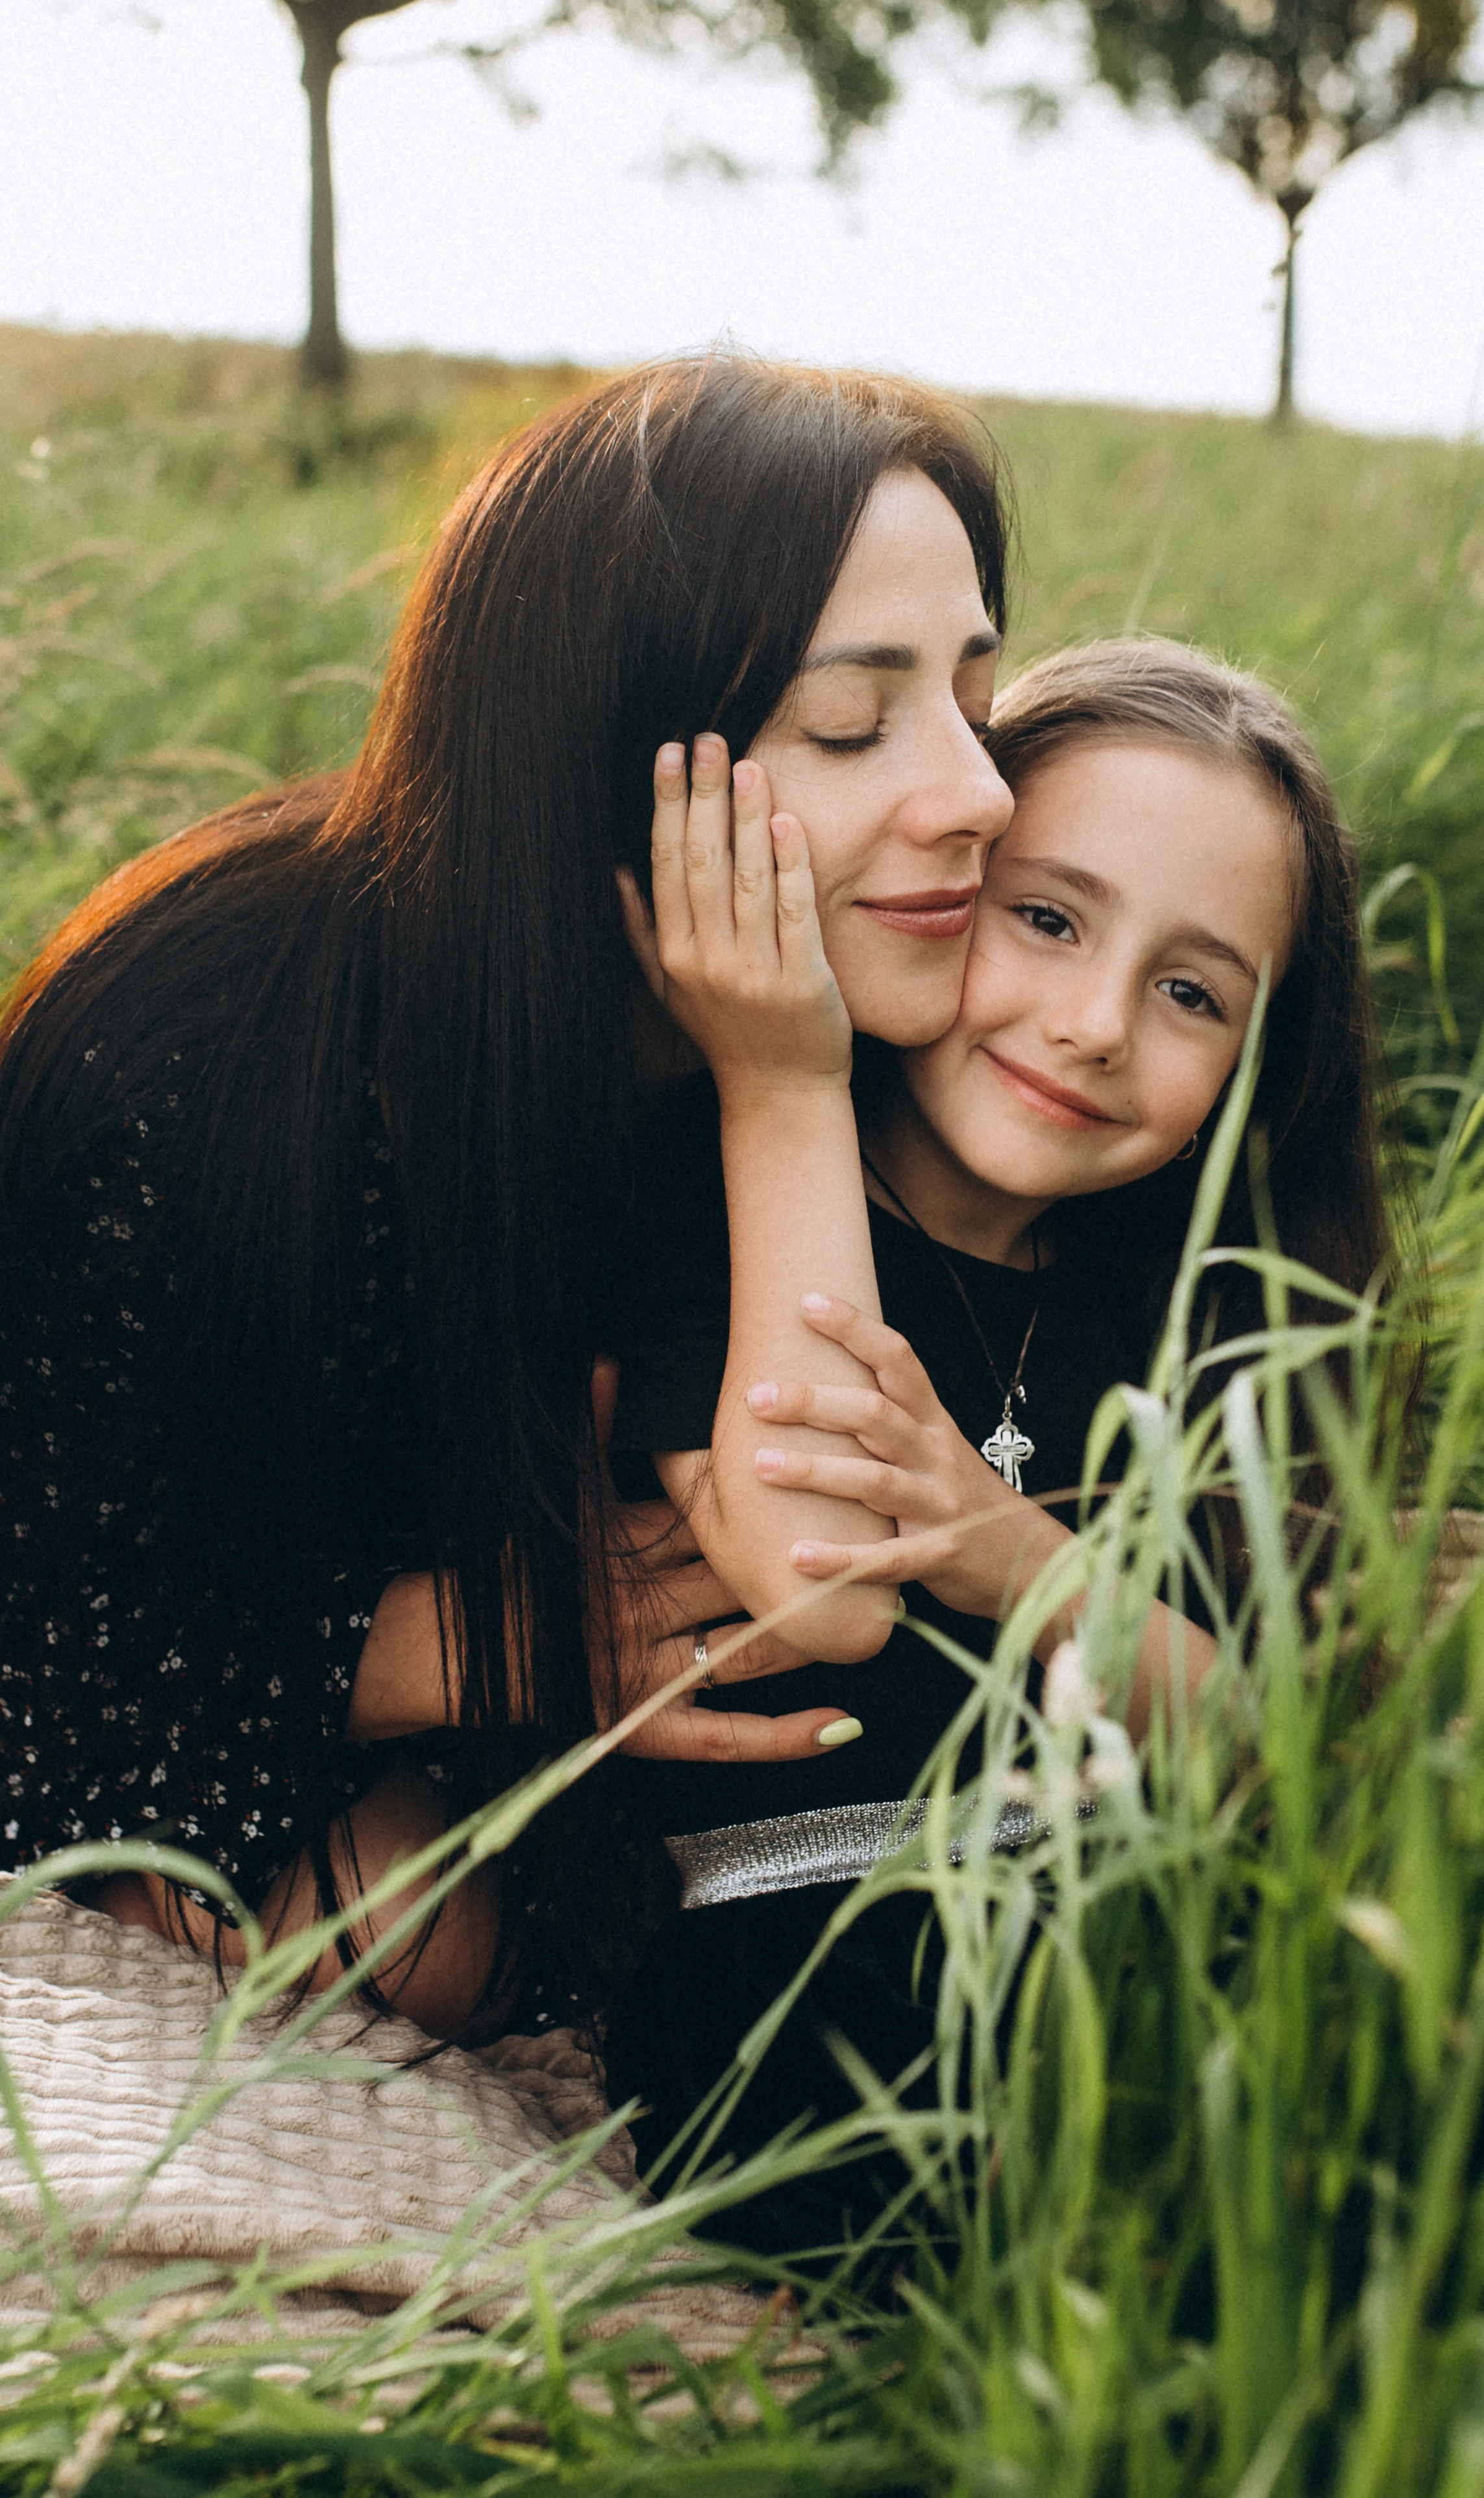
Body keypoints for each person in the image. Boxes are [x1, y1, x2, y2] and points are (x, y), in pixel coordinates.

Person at [0, 353, 1014, 2042]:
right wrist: (480, 1647)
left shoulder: (920, 1031)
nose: (977, 793)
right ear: (599, 760)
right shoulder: (212, 1064)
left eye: (977, 696)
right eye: (853, 720)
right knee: (393, 1930)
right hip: (237, 1714)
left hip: (608, 1779)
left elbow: (833, 1565)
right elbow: (51, 1625)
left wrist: (785, 1089)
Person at [603, 636, 1398, 2253]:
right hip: (800, 1994)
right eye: (1045, 918)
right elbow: (812, 1563)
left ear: (1257, 1063)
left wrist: (1010, 1551)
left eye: (1190, 992)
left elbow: (1263, 1746)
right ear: (933, 889)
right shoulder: (723, 1209)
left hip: (1145, 1969)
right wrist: (791, 1074)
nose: (1095, 1023)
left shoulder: (1207, 1313)